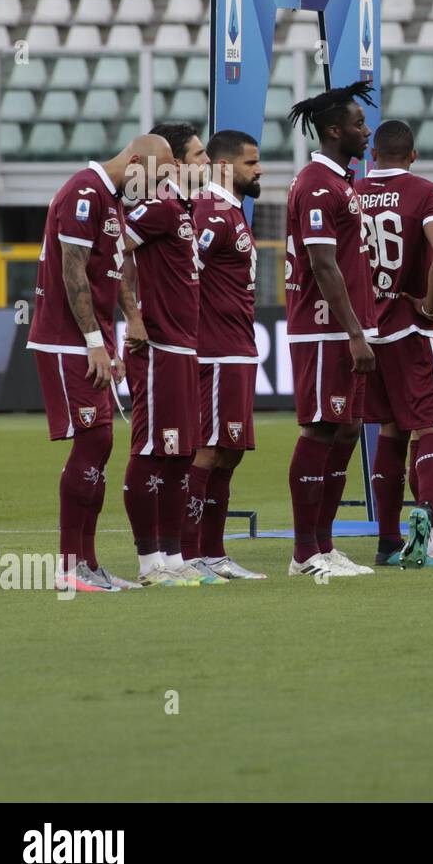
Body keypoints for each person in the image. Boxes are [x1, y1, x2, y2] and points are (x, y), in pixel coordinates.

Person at [26, 136, 168, 592]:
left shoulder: (111, 199)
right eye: (155, 176)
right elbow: (73, 271)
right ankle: (69, 567)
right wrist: (93, 343)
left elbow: (114, 270)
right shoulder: (84, 192)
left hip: (89, 340)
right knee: (94, 440)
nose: (155, 188)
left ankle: (87, 563)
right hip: (65, 340)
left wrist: (119, 331)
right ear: (135, 161)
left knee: (101, 442)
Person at [353, 118, 433, 569]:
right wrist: (428, 303)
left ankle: (386, 540)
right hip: (411, 326)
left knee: (388, 429)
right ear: (413, 156)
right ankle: (431, 528)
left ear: (373, 156)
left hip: (368, 329)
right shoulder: (427, 192)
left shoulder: (353, 190)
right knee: (432, 426)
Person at [283, 81, 379, 580]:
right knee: (321, 428)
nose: (368, 132)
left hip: (345, 330)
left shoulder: (343, 182)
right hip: (324, 332)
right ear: (335, 130)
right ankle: (304, 552)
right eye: (360, 124)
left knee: (345, 430)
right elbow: (323, 265)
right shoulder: (317, 184)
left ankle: (323, 544)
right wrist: (355, 334)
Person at [121, 124, 222, 586]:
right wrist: (134, 316)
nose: (208, 163)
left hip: (185, 345)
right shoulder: (158, 206)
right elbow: (116, 249)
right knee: (151, 449)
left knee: (182, 452)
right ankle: (148, 562)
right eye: (200, 155)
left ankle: (175, 557)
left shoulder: (182, 209)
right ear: (177, 165)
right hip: (159, 345)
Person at [183, 129, 269, 580]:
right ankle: (189, 553)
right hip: (214, 351)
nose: (259, 171)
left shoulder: (232, 212)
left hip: (237, 349)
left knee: (230, 451)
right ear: (223, 167)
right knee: (208, 450)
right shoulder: (211, 213)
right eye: (251, 163)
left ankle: (213, 553)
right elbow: (182, 275)